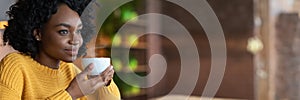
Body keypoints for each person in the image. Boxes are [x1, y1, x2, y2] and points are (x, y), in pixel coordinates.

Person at [0, 0, 120, 99]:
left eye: (78, 31)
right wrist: (71, 93)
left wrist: (105, 81)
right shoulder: (15, 65)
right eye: (63, 31)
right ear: (38, 33)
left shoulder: (70, 70)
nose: (75, 40)